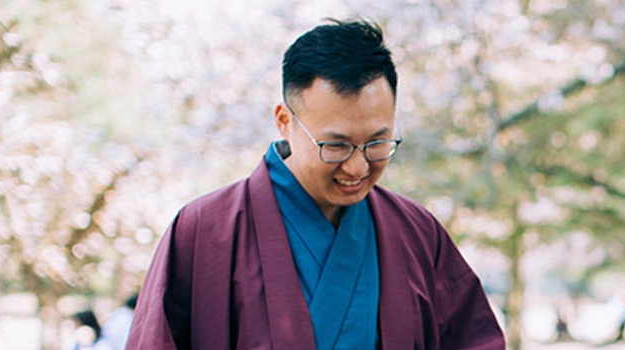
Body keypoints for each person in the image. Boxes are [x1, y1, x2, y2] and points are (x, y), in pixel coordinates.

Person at [128, 19, 505, 349]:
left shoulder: (417, 233)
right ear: (284, 121)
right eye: (336, 145)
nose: (357, 166)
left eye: (377, 143)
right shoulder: (203, 232)